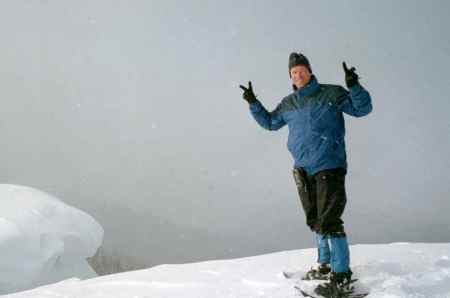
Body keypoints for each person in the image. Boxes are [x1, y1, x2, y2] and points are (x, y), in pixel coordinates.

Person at [239, 52, 372, 287]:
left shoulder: (331, 93)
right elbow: (270, 123)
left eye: (301, 70)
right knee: (315, 219)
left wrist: (354, 86)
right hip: (303, 168)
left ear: (310, 72)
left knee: (330, 219)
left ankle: (341, 274)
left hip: (329, 163)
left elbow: (362, 109)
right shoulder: (289, 103)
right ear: (290, 77)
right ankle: (325, 264)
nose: (298, 75)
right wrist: (253, 103)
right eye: (293, 73)